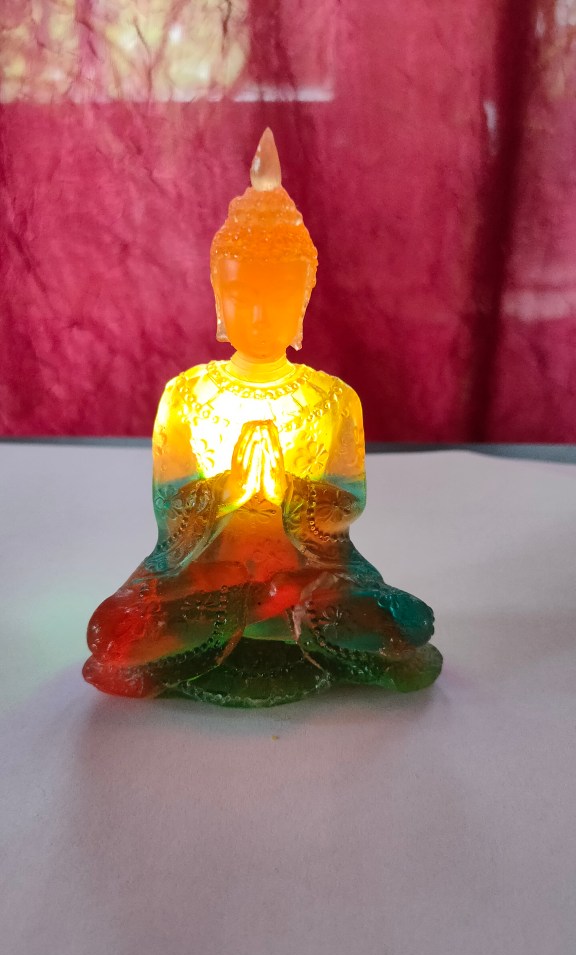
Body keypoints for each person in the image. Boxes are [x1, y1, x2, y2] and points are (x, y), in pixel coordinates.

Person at [83, 129, 442, 705]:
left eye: (276, 298)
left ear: (303, 300)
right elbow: (170, 517)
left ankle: (257, 613)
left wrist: (289, 491)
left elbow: (345, 507)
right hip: (203, 572)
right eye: (240, 296)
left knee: (403, 621)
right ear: (217, 297)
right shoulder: (185, 395)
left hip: (309, 573)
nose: (256, 314)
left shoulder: (335, 400)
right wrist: (228, 490)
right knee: (112, 630)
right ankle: (262, 611)